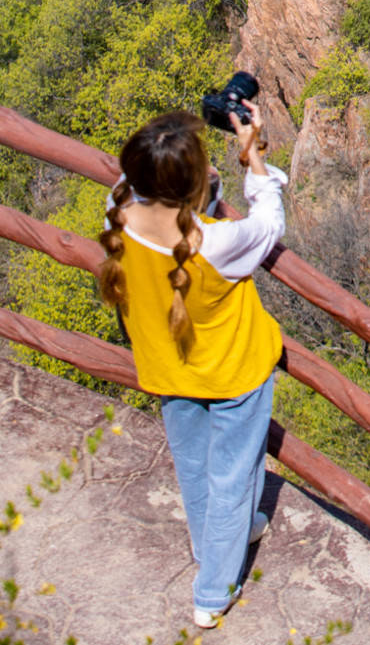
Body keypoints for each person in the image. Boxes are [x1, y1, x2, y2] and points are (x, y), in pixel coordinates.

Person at [97, 102, 287, 630]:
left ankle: (228, 537)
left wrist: (178, 167)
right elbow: (268, 223)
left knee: (196, 472)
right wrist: (254, 160)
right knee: (232, 475)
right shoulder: (217, 243)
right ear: (194, 185)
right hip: (234, 374)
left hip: (167, 370)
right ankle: (212, 591)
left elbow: (137, 182)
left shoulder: (119, 218)